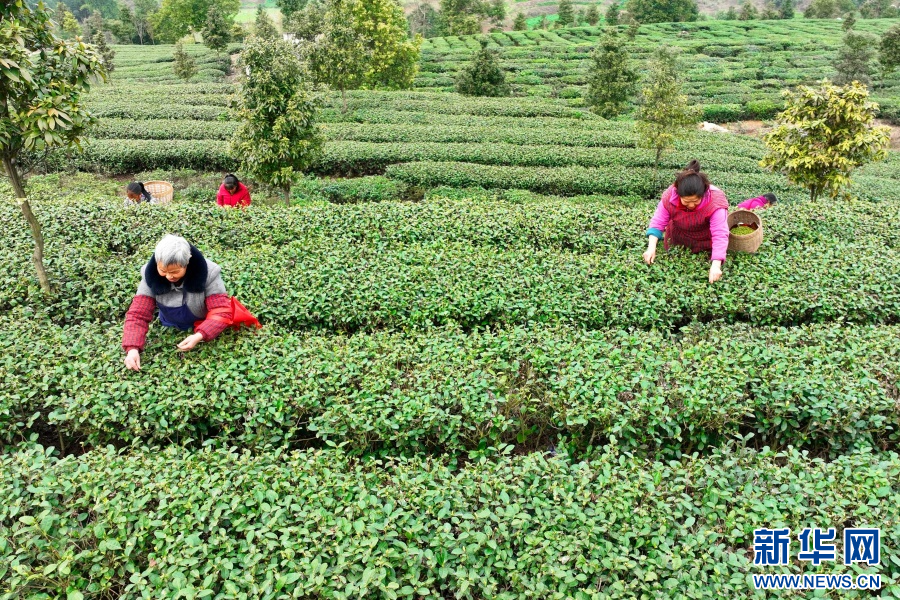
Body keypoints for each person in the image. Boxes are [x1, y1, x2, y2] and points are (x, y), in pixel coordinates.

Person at [122, 235, 237, 371]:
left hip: (201, 323)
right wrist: (132, 348)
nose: (169, 276)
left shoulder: (209, 273)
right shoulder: (150, 274)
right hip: (168, 322)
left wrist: (200, 335)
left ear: (187, 263)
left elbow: (221, 310)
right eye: (163, 271)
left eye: (175, 271)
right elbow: (138, 313)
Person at [643, 160, 729, 283]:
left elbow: (720, 234)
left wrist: (716, 265)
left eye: (695, 201)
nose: (691, 205)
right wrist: (651, 248)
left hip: (705, 242)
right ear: (678, 194)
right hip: (678, 239)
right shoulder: (669, 197)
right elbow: (658, 221)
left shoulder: (715, 203)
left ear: (703, 194)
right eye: (686, 201)